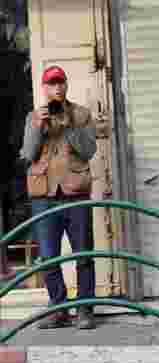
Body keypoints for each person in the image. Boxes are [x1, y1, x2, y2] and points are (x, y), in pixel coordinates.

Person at [19, 65, 98, 330]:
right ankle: (59, 307)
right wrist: (38, 127)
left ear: (66, 85)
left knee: (83, 254)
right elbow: (28, 155)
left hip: (75, 193)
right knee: (48, 256)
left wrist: (69, 126)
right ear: (44, 88)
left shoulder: (81, 115)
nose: (57, 88)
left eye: (60, 82)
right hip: (44, 196)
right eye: (51, 84)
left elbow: (88, 151)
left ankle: (85, 309)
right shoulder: (34, 116)